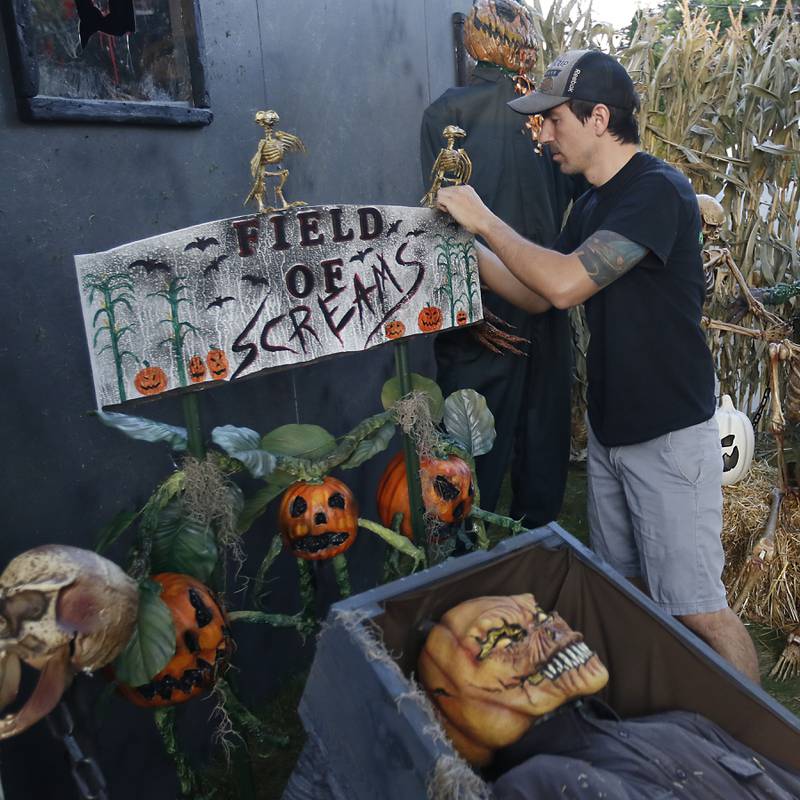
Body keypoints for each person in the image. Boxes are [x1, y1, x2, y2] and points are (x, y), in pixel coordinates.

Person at [435, 49, 760, 683]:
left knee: (698, 610)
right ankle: (655, 719)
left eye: (552, 119)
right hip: (613, 434)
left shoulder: (658, 193)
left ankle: (758, 755)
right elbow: (536, 293)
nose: (543, 132)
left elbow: (561, 284)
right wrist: (462, 249)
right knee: (626, 593)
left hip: (667, 435)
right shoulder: (588, 204)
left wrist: (485, 218)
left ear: (599, 118)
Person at [420, 18, 585, 530]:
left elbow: (438, 216)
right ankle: (539, 556)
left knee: (470, 458)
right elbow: (581, 208)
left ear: (475, 44)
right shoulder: (550, 119)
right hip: (548, 291)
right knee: (543, 446)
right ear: (525, 49)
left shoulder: (447, 114)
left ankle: (469, 567)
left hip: (481, 311)